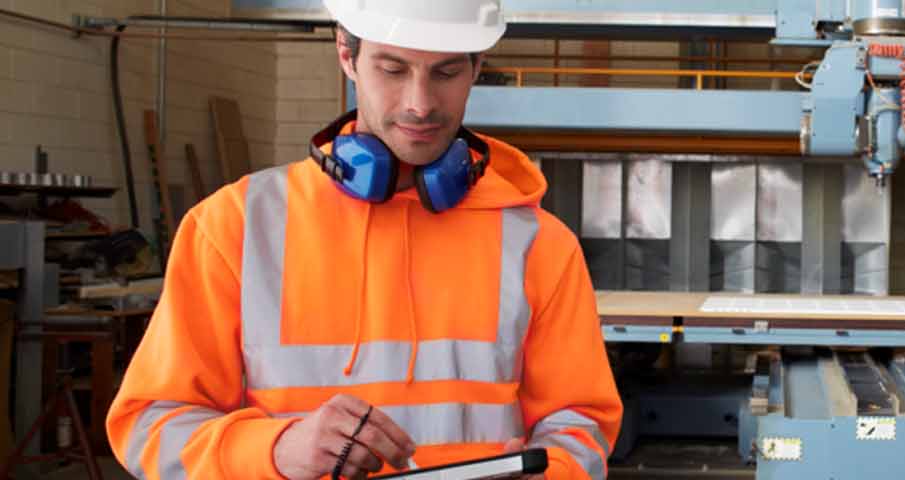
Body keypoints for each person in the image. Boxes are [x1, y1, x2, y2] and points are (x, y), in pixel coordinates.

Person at [105, 0, 621, 478]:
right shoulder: (235, 229)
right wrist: (277, 449)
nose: (420, 104)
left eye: (445, 71)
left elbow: (582, 426)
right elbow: (148, 426)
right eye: (392, 69)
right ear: (346, 55)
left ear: (477, 66)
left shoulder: (538, 245)